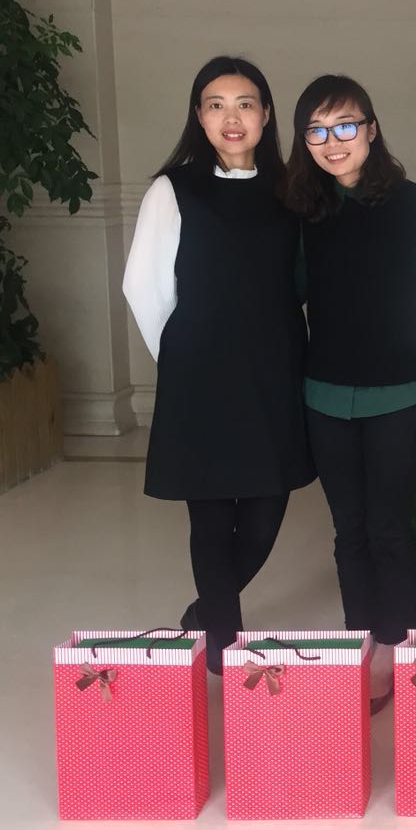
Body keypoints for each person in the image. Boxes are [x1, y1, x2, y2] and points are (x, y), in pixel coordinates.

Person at [122, 56, 313, 674]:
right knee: (209, 515)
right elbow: (143, 285)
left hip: (273, 370)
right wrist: (182, 360)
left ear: (266, 115)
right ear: (199, 117)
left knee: (265, 511)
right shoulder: (173, 189)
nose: (232, 117)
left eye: (245, 104)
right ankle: (225, 654)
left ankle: (207, 610)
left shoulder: (291, 189)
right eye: (216, 104)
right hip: (200, 374)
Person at [281, 74, 416, 714]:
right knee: (347, 529)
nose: (333, 141)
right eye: (317, 130)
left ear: (371, 130)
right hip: (323, 395)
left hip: (396, 395)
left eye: (345, 125)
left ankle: (395, 647)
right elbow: (284, 295)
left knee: (388, 527)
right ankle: (359, 642)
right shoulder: (304, 213)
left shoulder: (415, 206)